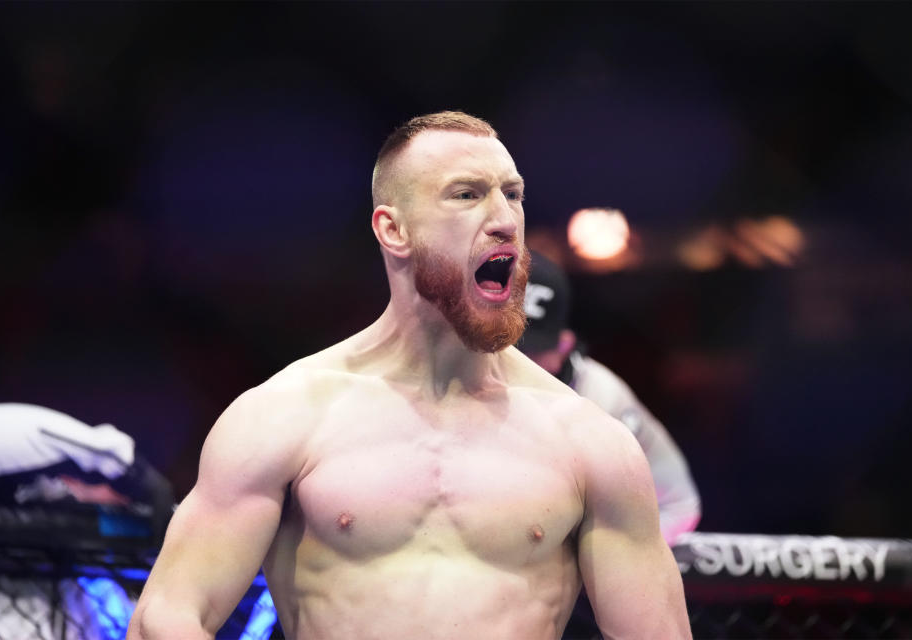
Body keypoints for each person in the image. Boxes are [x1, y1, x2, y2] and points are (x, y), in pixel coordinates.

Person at [128, 111, 691, 640]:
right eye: (467, 195)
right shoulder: (285, 415)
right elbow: (167, 614)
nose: (503, 220)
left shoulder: (588, 440)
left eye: (512, 195)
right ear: (393, 230)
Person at [520, 251, 702, 545]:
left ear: (564, 345)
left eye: (530, 351)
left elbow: (679, 504)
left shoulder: (602, 398)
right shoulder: (460, 382)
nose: (514, 362)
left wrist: (610, 563)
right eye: (503, 346)